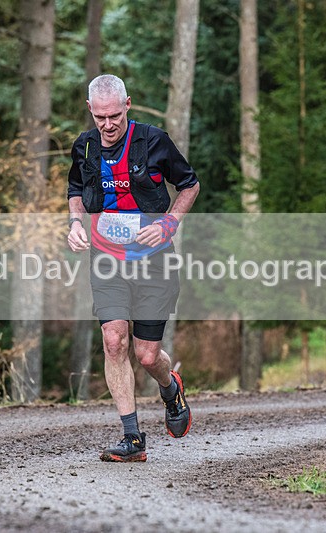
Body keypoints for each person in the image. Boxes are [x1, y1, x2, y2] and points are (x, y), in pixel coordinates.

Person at [67, 74, 200, 462]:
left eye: (115, 116)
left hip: (154, 261)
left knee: (146, 355)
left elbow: (189, 185)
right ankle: (133, 438)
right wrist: (76, 223)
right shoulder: (85, 147)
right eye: (100, 117)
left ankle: (171, 388)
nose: (108, 125)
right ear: (90, 110)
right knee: (113, 341)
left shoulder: (154, 141)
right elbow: (76, 192)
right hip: (107, 259)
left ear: (128, 105)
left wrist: (168, 222)